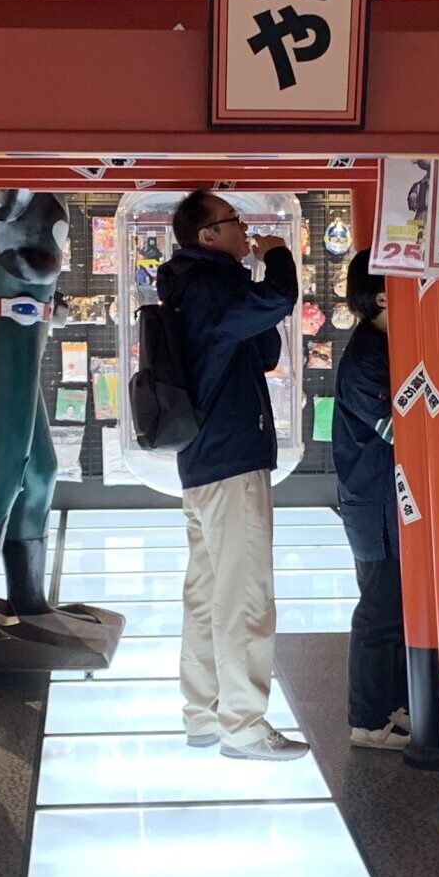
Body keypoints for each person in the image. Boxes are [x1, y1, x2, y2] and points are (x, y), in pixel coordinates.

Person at [156, 191, 307, 760]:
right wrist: (277, 255)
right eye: (233, 221)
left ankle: (202, 713)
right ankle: (243, 725)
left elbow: (261, 349)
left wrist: (256, 284)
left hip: (203, 463)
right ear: (207, 236)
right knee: (244, 595)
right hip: (233, 459)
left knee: (205, 594)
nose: (245, 228)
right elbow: (281, 297)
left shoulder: (195, 287)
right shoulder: (213, 286)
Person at [332, 253, 411, 750]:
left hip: (380, 500)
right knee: (379, 609)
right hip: (376, 503)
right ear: (383, 296)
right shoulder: (367, 357)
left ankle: (392, 704)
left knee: (394, 608)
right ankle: (366, 719)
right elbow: (396, 426)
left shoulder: (381, 345)